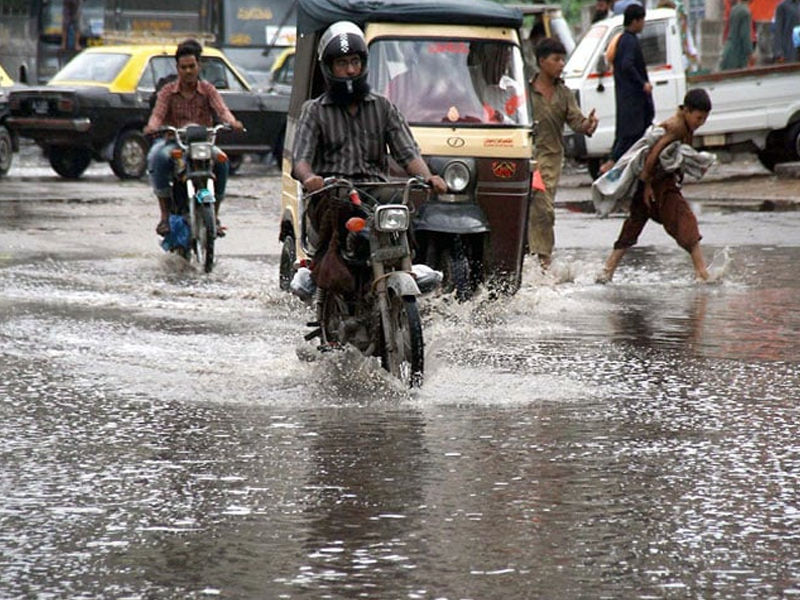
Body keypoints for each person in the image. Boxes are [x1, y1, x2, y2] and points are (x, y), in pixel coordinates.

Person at [291, 21, 447, 265]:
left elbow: (407, 153)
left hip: (374, 191)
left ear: (363, 64)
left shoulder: (383, 107)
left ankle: (408, 265)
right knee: (338, 202)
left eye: (355, 62)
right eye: (342, 64)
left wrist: (428, 178)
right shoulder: (314, 111)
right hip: (332, 192)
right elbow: (300, 160)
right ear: (329, 68)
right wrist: (310, 178)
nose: (351, 70)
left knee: (402, 201)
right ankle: (326, 271)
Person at [596, 89, 715, 283]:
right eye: (698, 118)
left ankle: (607, 270)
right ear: (686, 111)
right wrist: (647, 184)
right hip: (656, 182)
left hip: (657, 180)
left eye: (704, 119)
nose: (700, 123)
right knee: (684, 219)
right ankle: (701, 272)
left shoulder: (685, 125)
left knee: (635, 221)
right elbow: (654, 153)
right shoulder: (678, 127)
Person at [144, 39, 244, 237]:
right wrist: (152, 126)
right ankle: (164, 216)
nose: (188, 71)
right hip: (176, 142)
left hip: (203, 144)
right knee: (157, 157)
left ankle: (214, 216)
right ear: (178, 68)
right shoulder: (167, 91)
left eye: (192, 66)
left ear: (199, 66)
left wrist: (233, 123)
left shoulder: (208, 90)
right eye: (184, 67)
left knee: (222, 161)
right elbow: (157, 115)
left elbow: (222, 111)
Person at [529, 37, 598, 270]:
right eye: (556, 59)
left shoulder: (564, 94)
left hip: (550, 162)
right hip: (525, 158)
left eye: (562, 59)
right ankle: (531, 259)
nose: (561, 64)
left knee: (544, 208)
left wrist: (589, 125)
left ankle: (543, 261)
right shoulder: (525, 91)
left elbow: (578, 123)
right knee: (527, 208)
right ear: (542, 62)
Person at [600, 3, 654, 175]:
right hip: (633, 99)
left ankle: (616, 166)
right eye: (642, 20)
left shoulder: (622, 39)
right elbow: (627, 65)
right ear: (636, 21)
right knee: (631, 135)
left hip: (625, 97)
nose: (643, 24)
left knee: (626, 134)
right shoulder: (629, 41)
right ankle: (610, 167)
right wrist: (642, 84)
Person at [720, 0, 755, 70]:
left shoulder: (734, 9)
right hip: (738, 53)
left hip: (728, 50)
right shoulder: (745, 12)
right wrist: (750, 54)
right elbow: (745, 35)